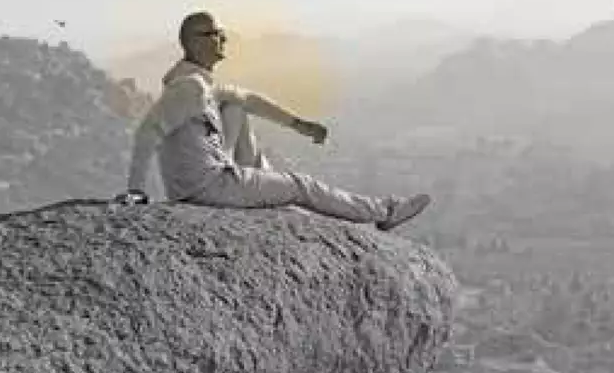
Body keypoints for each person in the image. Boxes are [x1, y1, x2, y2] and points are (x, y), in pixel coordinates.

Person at [115, 11, 431, 230]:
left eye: (220, 32)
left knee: (236, 108)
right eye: (212, 33)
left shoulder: (199, 83)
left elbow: (248, 99)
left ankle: (266, 187)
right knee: (300, 185)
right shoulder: (190, 88)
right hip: (208, 187)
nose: (221, 37)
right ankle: (383, 211)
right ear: (193, 42)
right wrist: (136, 191)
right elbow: (147, 133)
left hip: (204, 179)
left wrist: (299, 125)